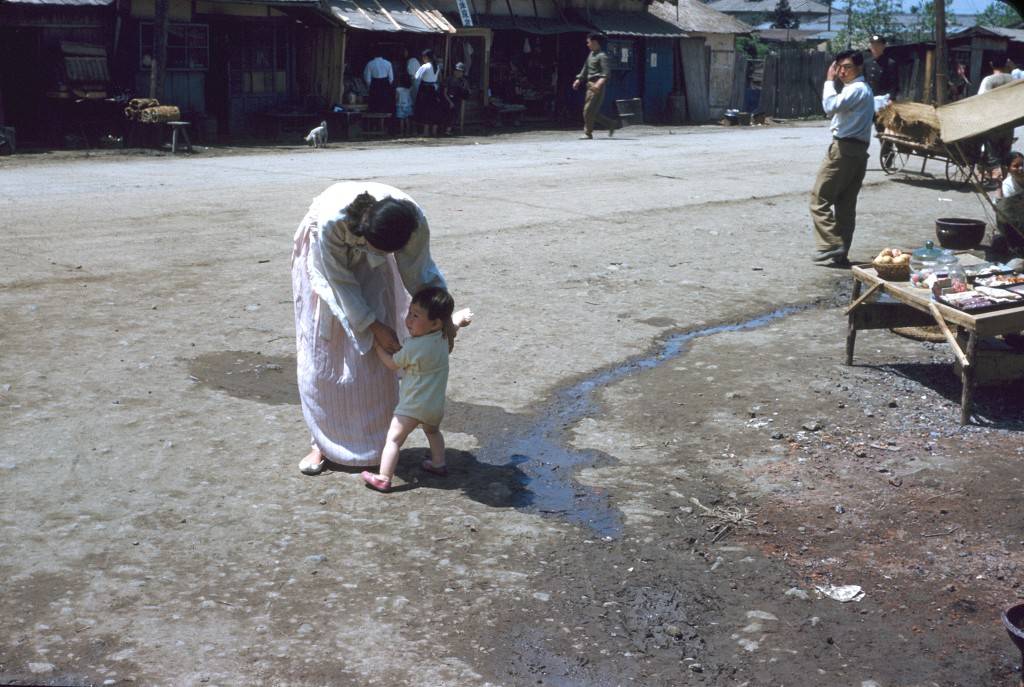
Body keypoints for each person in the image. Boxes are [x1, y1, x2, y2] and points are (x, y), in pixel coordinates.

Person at [291, 182, 456, 476]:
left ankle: (378, 443)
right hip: (327, 262)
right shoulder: (332, 223)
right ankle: (321, 443)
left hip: (376, 247)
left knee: (373, 360)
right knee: (326, 348)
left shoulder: (412, 221)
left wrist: (442, 321)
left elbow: (421, 272)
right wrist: (373, 326)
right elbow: (339, 282)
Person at [361, 287, 473, 493]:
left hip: (412, 405)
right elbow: (453, 327)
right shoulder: (443, 337)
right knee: (432, 431)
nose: (409, 319)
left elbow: (393, 363)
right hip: (435, 405)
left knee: (394, 438)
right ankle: (438, 463)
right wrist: (459, 320)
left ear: (435, 323)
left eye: (416, 315)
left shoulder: (414, 347)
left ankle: (384, 477)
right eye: (409, 312)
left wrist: (378, 347)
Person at [810, 49, 875, 266]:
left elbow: (829, 106)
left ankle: (831, 243)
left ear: (859, 68)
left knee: (819, 199)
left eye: (846, 67)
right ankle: (840, 252)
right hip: (857, 151)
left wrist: (829, 82)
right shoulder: (861, 90)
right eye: (838, 67)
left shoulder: (856, 89)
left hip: (844, 150)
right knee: (845, 205)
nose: (841, 71)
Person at [572, 33, 620, 139]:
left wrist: (598, 85)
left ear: (594, 42)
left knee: (587, 110)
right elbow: (585, 69)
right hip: (589, 85)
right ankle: (610, 124)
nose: (587, 45)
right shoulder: (591, 54)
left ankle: (587, 133)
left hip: (596, 86)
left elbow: (606, 73)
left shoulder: (602, 56)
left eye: (588, 42)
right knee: (593, 112)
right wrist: (578, 79)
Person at [994, 151, 1024, 257]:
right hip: (1016, 221)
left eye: (1023, 165)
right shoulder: (1007, 185)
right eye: (1016, 166)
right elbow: (1004, 209)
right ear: (1008, 169)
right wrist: (998, 185)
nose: (1021, 169)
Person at [412, 49, 444, 137]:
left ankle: (425, 132)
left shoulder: (425, 66)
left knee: (424, 109)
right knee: (433, 109)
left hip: (425, 89)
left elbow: (416, 77)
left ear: (425, 57)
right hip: (433, 89)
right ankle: (434, 131)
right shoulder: (436, 66)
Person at [864, 35, 899, 101]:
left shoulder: (890, 63)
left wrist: (891, 99)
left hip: (883, 100)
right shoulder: (866, 63)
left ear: (884, 46)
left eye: (878, 45)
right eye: (873, 45)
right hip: (868, 99)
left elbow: (894, 84)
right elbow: (864, 81)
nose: (875, 47)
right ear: (870, 47)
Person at [444, 62, 471, 135]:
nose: (458, 73)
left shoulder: (463, 81)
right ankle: (447, 130)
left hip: (457, 100)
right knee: (449, 113)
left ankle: (450, 129)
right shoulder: (449, 79)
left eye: (460, 71)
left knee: (455, 114)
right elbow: (445, 92)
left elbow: (467, 92)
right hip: (447, 100)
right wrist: (450, 102)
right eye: (457, 70)